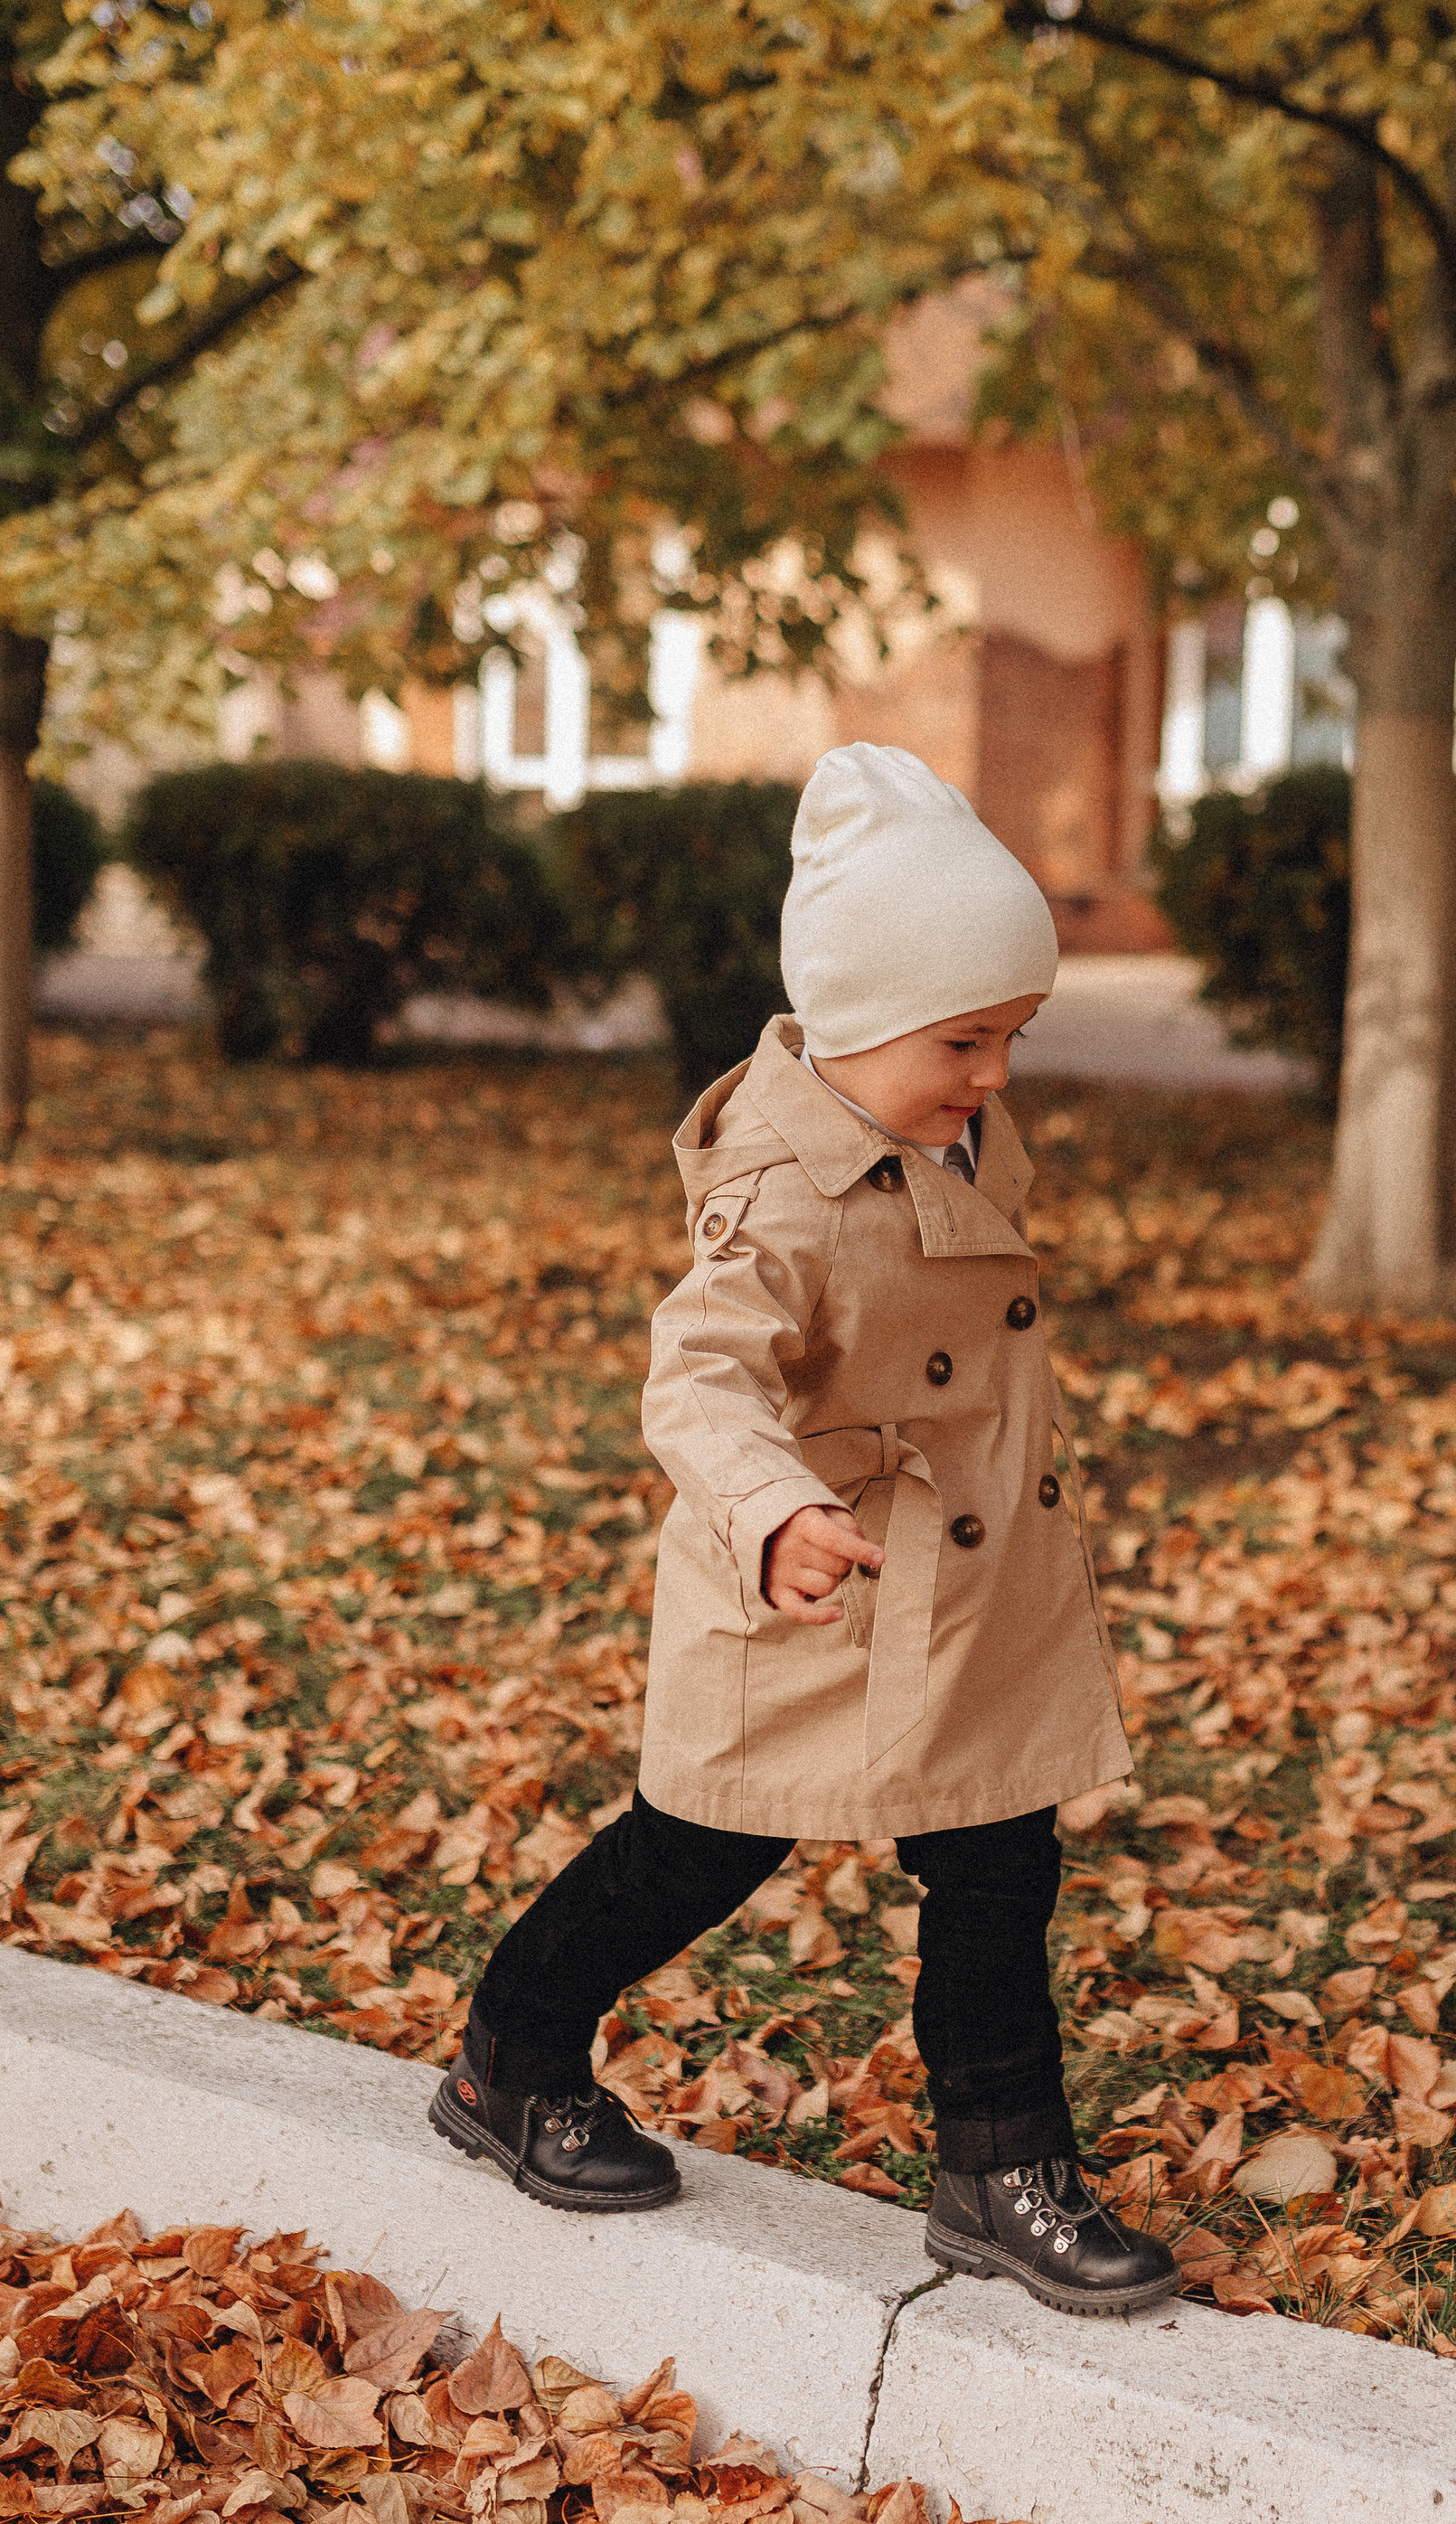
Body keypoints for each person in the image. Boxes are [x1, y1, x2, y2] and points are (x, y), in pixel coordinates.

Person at [432, 744, 1178, 2314]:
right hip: (806, 1577)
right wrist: (774, 1510)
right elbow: (698, 1377)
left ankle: (1001, 2163)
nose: (992, 1073)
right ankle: (512, 2050)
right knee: (701, 1843)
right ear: (849, 1023)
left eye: (1012, 1038)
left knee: (996, 1852)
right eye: (963, 1038)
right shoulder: (778, 1184)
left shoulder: (943, 1120)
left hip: (958, 1580)